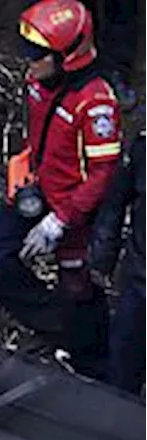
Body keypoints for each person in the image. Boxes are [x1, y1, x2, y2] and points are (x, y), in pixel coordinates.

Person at [0, 0, 121, 378]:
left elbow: (103, 175)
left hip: (76, 209)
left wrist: (61, 220)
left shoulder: (96, 103)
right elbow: (40, 132)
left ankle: (94, 361)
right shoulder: (39, 82)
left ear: (67, 56)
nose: (29, 63)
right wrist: (26, 161)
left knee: (78, 283)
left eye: (38, 56)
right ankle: (58, 326)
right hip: (41, 192)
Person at [91, 132, 147, 395]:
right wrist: (102, 259)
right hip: (141, 278)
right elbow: (114, 205)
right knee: (123, 360)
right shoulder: (142, 149)